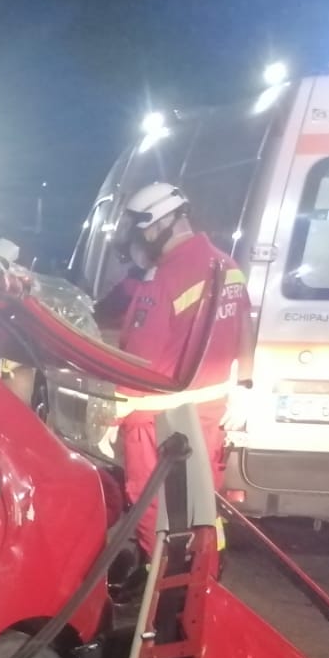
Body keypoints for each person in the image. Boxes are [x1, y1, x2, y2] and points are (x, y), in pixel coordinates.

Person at [112, 181, 250, 545]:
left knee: (153, 509)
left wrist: (110, 415)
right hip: (209, 414)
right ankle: (206, 567)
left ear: (160, 223)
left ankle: (156, 575)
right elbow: (244, 326)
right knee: (201, 504)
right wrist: (245, 385)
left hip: (157, 421)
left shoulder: (163, 279)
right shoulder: (228, 265)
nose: (141, 241)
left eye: (143, 231)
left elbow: (139, 361)